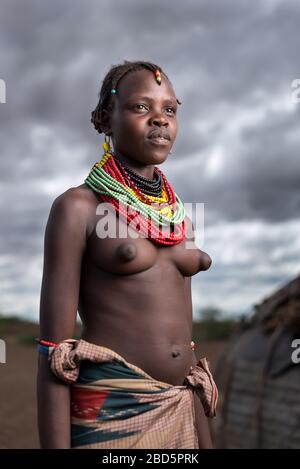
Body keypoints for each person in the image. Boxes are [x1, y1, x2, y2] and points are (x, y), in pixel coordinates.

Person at [36, 60, 218, 449]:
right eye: (141, 107)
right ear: (106, 117)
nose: (160, 120)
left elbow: (186, 344)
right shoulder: (78, 208)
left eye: (169, 109)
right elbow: (54, 352)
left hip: (180, 404)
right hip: (110, 411)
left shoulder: (178, 217)